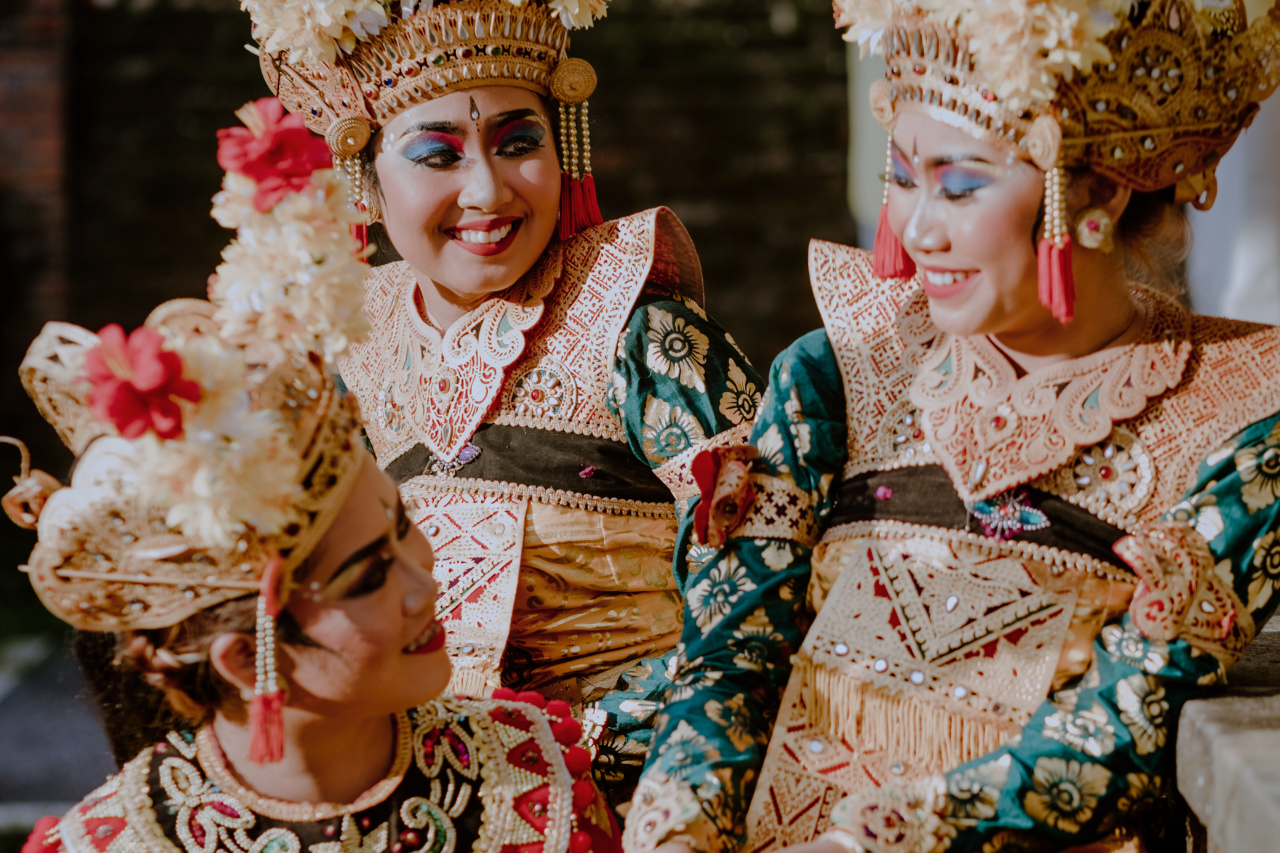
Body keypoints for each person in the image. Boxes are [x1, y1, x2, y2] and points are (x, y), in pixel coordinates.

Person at [623, 0, 1280, 851]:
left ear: (1101, 190)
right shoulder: (838, 373)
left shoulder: (1241, 412)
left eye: (961, 185)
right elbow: (734, 652)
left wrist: (876, 839)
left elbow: (1121, 723)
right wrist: (676, 828)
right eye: (902, 177)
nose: (918, 228)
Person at [8, 105, 619, 853]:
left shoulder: (537, 779)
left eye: (403, 527)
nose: (428, 583)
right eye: (367, 575)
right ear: (243, 657)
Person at [238, 0, 764, 800]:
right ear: (367, 173)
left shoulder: (639, 328)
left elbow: (758, 591)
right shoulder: (352, 339)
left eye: (518, 143)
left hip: (647, 790)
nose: (487, 189)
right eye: (436, 155)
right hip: (434, 791)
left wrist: (560, 749)